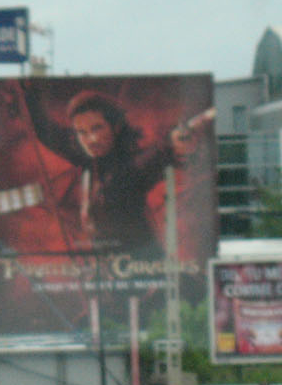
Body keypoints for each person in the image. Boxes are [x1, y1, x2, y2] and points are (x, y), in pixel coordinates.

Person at [16, 80, 211, 255]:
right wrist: (28, 92)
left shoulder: (131, 165)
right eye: (82, 132)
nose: (91, 139)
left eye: (97, 128)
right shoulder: (86, 156)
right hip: (109, 269)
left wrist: (178, 141)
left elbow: (158, 154)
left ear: (115, 127)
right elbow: (46, 131)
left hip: (141, 266)